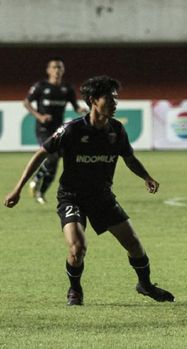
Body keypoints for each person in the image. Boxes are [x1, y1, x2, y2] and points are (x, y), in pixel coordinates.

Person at [5, 76, 175, 306]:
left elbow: (129, 157)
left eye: (116, 99)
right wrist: (17, 189)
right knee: (77, 248)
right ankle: (75, 290)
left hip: (102, 197)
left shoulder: (117, 130)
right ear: (94, 100)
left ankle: (145, 285)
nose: (115, 104)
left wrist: (146, 177)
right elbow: (41, 154)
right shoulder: (72, 129)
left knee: (134, 244)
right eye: (110, 99)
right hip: (71, 197)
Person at [24, 57, 88, 204]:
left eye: (60, 67)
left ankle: (41, 192)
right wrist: (39, 116)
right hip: (43, 129)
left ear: (63, 70)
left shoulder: (67, 88)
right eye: (54, 67)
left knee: (55, 162)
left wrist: (81, 110)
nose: (57, 70)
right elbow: (26, 102)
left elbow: (75, 105)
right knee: (52, 156)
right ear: (48, 70)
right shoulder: (41, 86)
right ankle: (36, 178)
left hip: (59, 129)